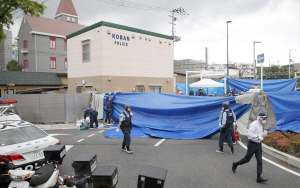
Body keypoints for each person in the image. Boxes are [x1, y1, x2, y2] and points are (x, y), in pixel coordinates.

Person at [232, 113, 268, 183]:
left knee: (260, 161)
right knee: (247, 159)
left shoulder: (261, 125)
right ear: (260, 118)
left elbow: (259, 134)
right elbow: (249, 134)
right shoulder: (254, 124)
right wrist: (257, 136)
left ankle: (258, 178)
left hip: (258, 144)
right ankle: (235, 164)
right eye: (264, 119)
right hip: (252, 144)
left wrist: (264, 134)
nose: (265, 120)